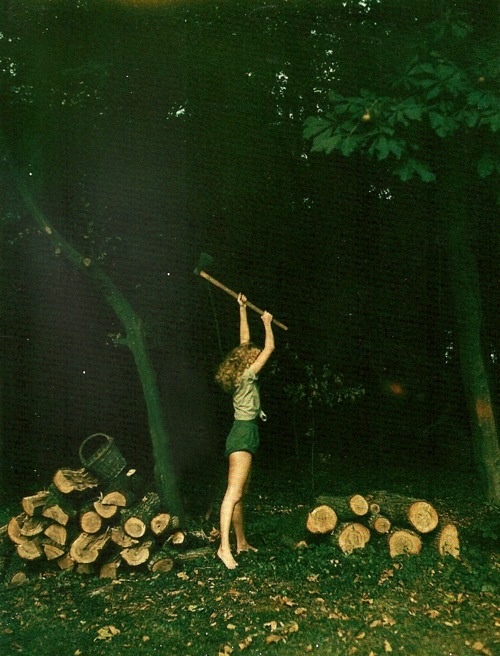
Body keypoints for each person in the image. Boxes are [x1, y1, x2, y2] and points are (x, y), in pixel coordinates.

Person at [214, 293, 275, 569]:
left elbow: (243, 341)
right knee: (233, 493)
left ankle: (241, 542)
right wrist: (267, 322)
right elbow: (269, 348)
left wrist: (241, 310)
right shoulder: (249, 374)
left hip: (245, 431)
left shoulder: (241, 372)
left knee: (241, 493)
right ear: (246, 361)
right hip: (242, 434)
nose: (251, 351)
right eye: (250, 354)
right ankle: (224, 548)